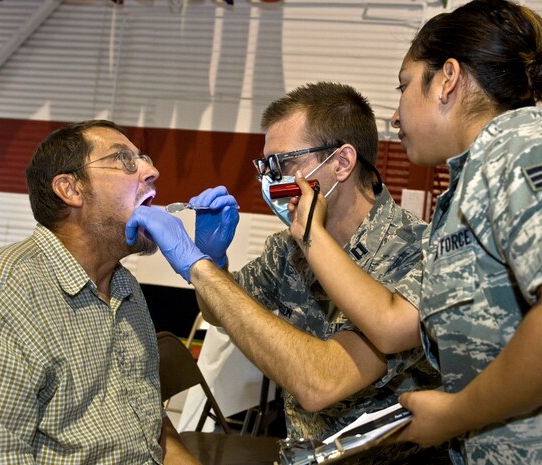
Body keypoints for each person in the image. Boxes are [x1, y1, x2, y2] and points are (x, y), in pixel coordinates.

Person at [289, 1, 542, 463]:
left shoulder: (531, 146)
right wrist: (309, 231)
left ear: (446, 79)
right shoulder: (463, 197)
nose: (395, 117)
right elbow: (387, 323)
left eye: (404, 86)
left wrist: (456, 413)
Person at [126, 82, 446, 464]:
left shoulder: (416, 252)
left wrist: (196, 265)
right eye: (264, 166)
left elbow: (321, 383)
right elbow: (220, 312)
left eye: (281, 165)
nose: (268, 181)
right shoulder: (289, 250)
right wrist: (215, 263)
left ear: (342, 163)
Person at [0, 120, 200, 465]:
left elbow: (149, 429)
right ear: (70, 190)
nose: (152, 171)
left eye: (143, 158)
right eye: (124, 159)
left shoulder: (123, 286)